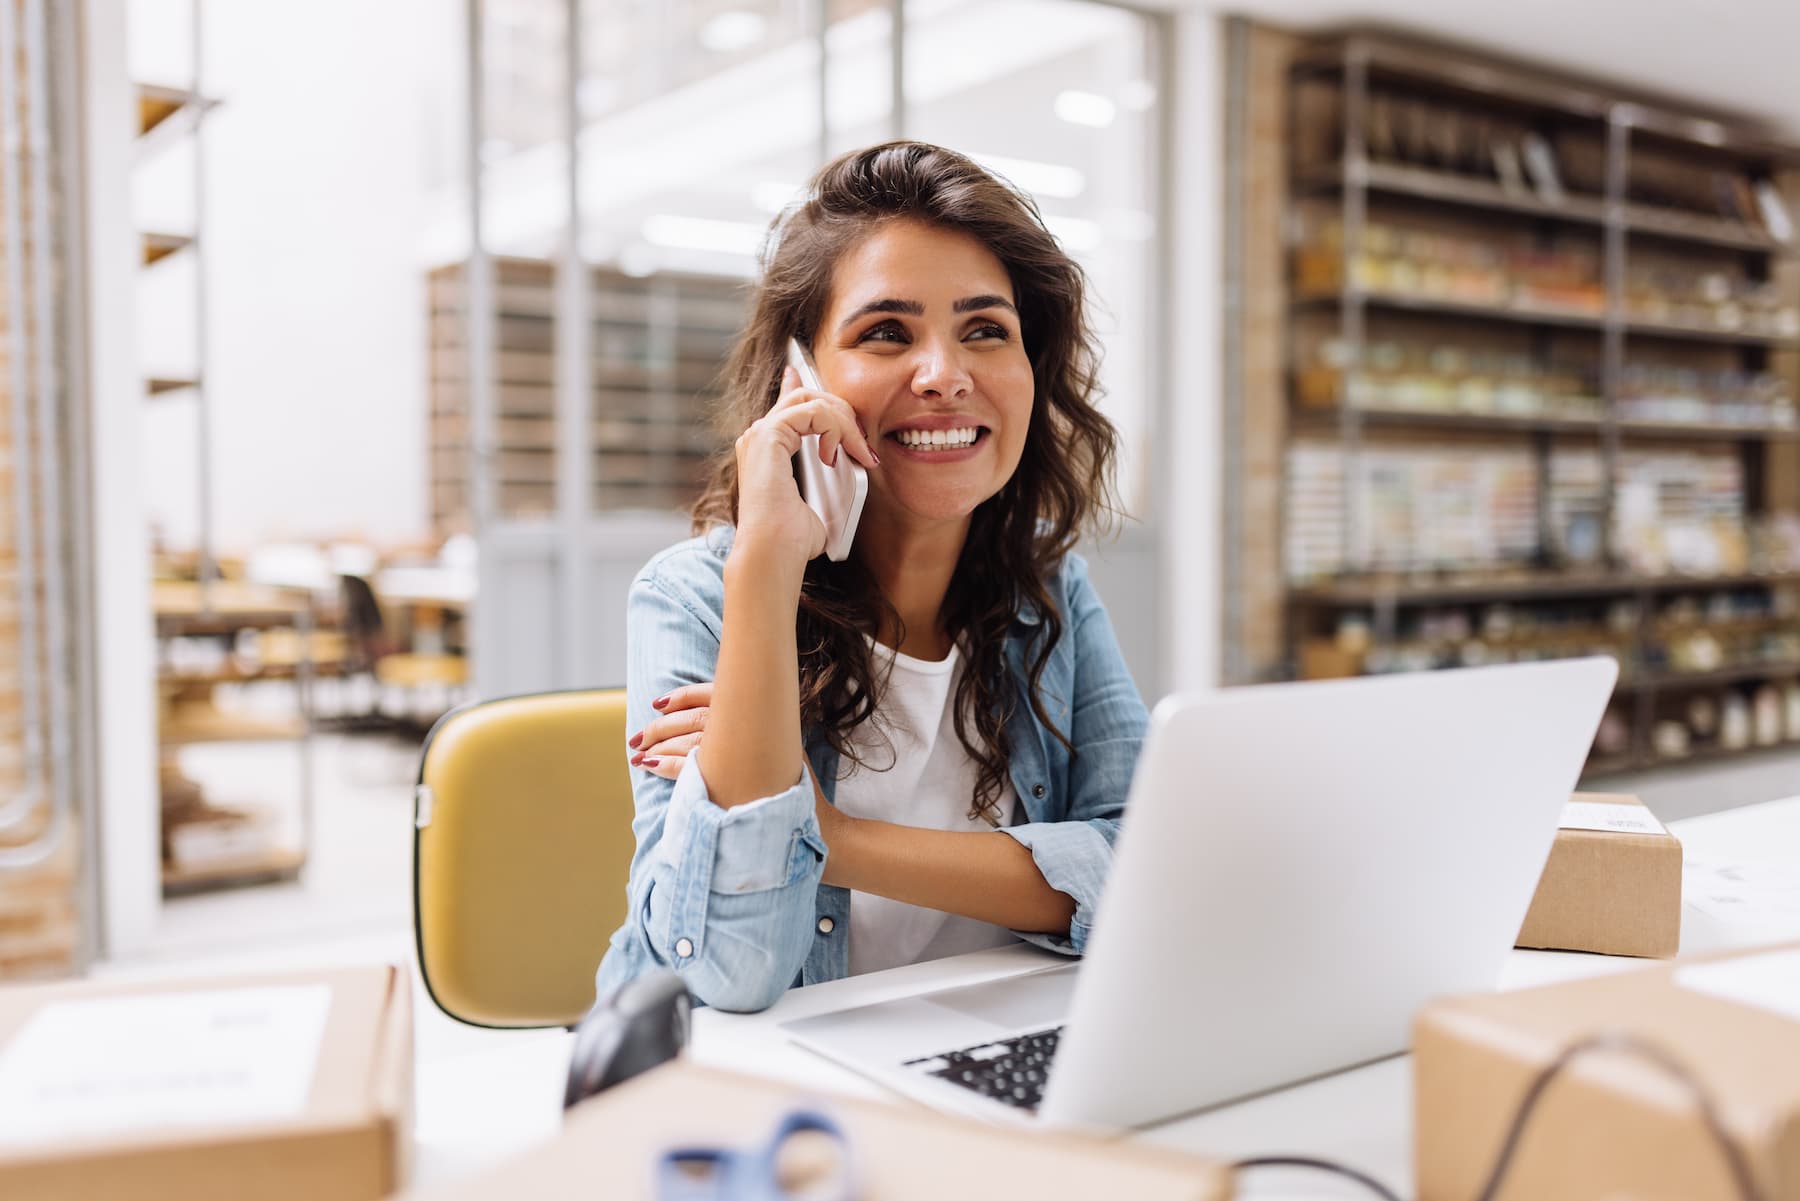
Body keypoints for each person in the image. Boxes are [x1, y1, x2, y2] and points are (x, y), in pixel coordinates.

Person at [592, 141, 1148, 1013]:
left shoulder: (1047, 590)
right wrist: (767, 564)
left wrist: (834, 837)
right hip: (757, 1090)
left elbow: (1147, 873)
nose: (944, 375)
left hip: (980, 1054)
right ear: (799, 378)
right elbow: (730, 974)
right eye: (886, 332)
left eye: (985, 330)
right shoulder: (697, 596)